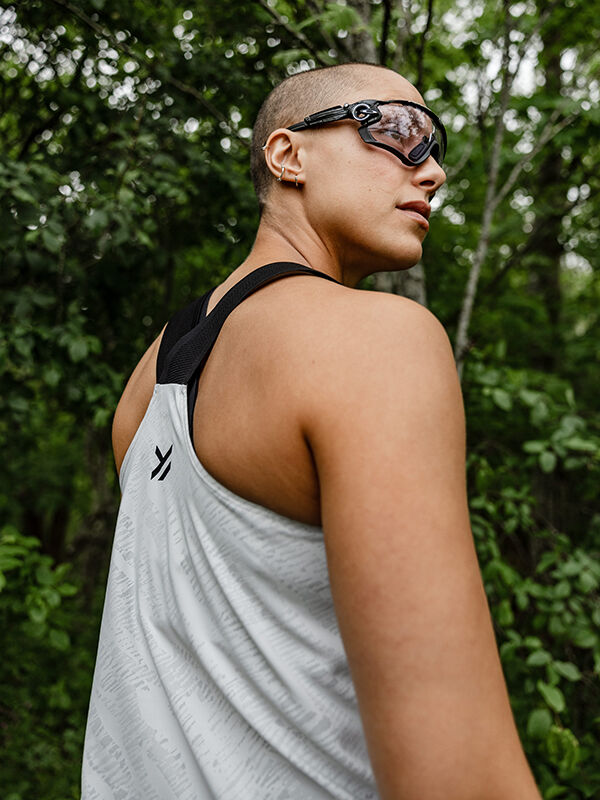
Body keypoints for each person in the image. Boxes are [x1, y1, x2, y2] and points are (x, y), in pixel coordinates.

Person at [81, 62, 542, 799]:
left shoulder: (145, 384)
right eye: (402, 131)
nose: (435, 171)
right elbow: (459, 777)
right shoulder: (377, 342)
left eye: (436, 144)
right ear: (288, 156)